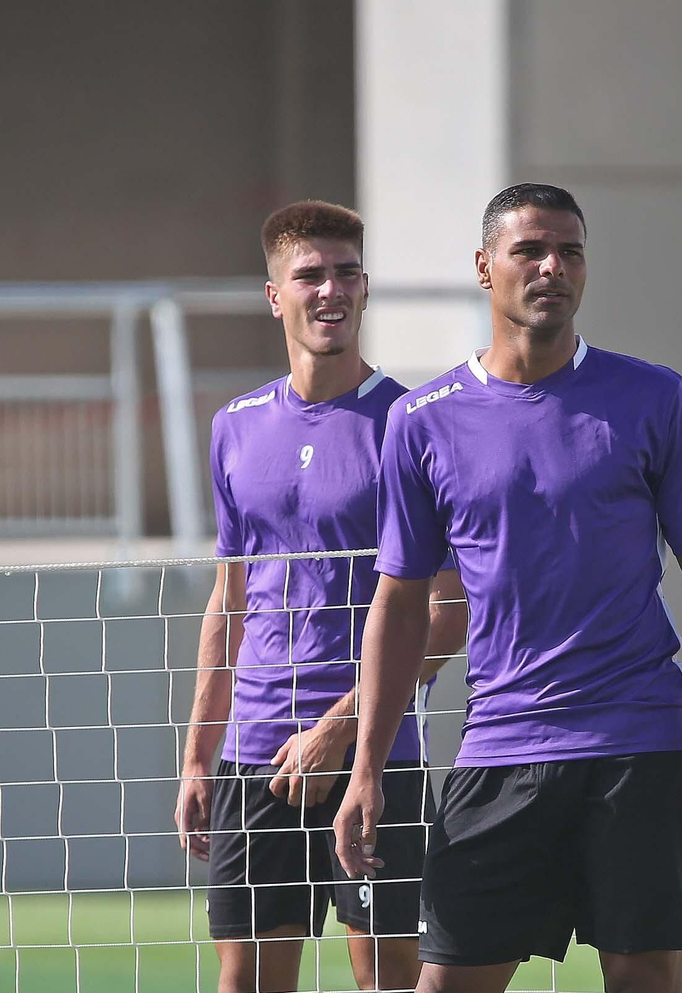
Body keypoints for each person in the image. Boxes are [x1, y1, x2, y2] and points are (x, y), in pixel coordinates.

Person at [332, 183, 682, 993]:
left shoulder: (651, 396)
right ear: (485, 268)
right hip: (501, 750)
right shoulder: (423, 420)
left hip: (638, 744)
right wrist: (366, 767)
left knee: (645, 983)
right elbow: (399, 603)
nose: (552, 267)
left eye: (571, 251)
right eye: (530, 250)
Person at [174, 200, 468, 993]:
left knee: (390, 977)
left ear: (366, 289)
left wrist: (342, 731)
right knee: (248, 983)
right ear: (276, 295)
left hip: (375, 755)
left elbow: (448, 612)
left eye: (345, 273)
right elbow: (229, 603)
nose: (329, 290)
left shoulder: (411, 424)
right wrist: (200, 752)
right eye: (310, 275)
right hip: (254, 757)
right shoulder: (234, 426)